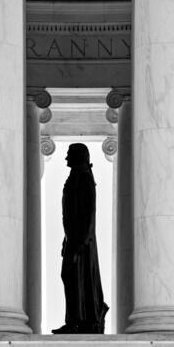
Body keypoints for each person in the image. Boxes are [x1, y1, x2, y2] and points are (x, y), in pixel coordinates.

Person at [52, 143, 109, 334]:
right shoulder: (77, 176)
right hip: (73, 240)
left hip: (81, 243)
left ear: (79, 156)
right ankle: (75, 320)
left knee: (77, 278)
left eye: (70, 155)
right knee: (70, 278)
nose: (66, 158)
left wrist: (80, 243)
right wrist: (66, 240)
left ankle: (80, 321)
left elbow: (88, 213)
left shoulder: (84, 177)